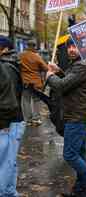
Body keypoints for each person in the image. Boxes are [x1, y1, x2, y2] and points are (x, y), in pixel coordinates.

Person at [46, 38, 86, 197]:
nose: (71, 50)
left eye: (75, 46)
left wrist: (49, 76)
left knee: (70, 154)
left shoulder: (83, 65)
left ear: (83, 48)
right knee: (79, 153)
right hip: (79, 114)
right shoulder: (80, 64)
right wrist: (58, 71)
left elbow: (61, 86)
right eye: (69, 47)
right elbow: (71, 81)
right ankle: (80, 189)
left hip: (77, 116)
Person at [0, 36, 25, 197]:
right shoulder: (10, 64)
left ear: (4, 49)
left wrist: (3, 123)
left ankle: (6, 192)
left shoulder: (5, 67)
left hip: (8, 122)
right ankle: (8, 191)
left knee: (5, 162)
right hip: (12, 121)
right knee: (8, 161)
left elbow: (8, 102)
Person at [19, 40, 48, 126]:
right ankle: (36, 119)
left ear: (27, 45)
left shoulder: (20, 55)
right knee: (36, 100)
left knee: (26, 100)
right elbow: (45, 68)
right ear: (34, 46)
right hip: (36, 82)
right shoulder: (36, 56)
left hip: (25, 81)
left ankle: (28, 120)